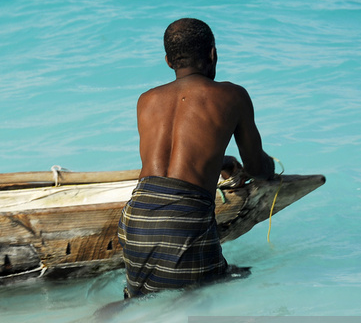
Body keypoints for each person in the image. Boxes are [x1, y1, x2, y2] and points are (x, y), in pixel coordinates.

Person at [118, 18, 275, 298]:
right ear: (213, 54)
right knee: (217, 291)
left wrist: (220, 161)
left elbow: (173, 162)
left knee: (136, 298)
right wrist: (270, 167)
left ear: (168, 61)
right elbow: (256, 167)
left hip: (136, 219)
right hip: (184, 222)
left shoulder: (146, 99)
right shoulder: (232, 95)